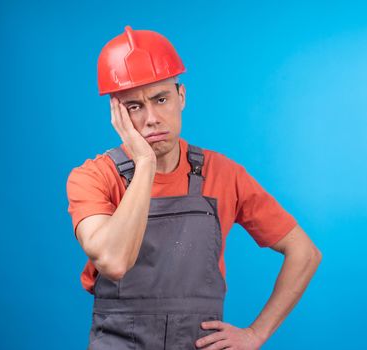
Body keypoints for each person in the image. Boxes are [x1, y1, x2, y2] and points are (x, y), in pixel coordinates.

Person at [66, 25, 322, 350]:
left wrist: (256, 334)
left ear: (181, 97)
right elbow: (113, 262)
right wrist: (145, 163)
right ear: (116, 113)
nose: (151, 118)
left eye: (161, 99)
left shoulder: (224, 174)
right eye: (134, 106)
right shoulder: (92, 177)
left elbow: (305, 253)